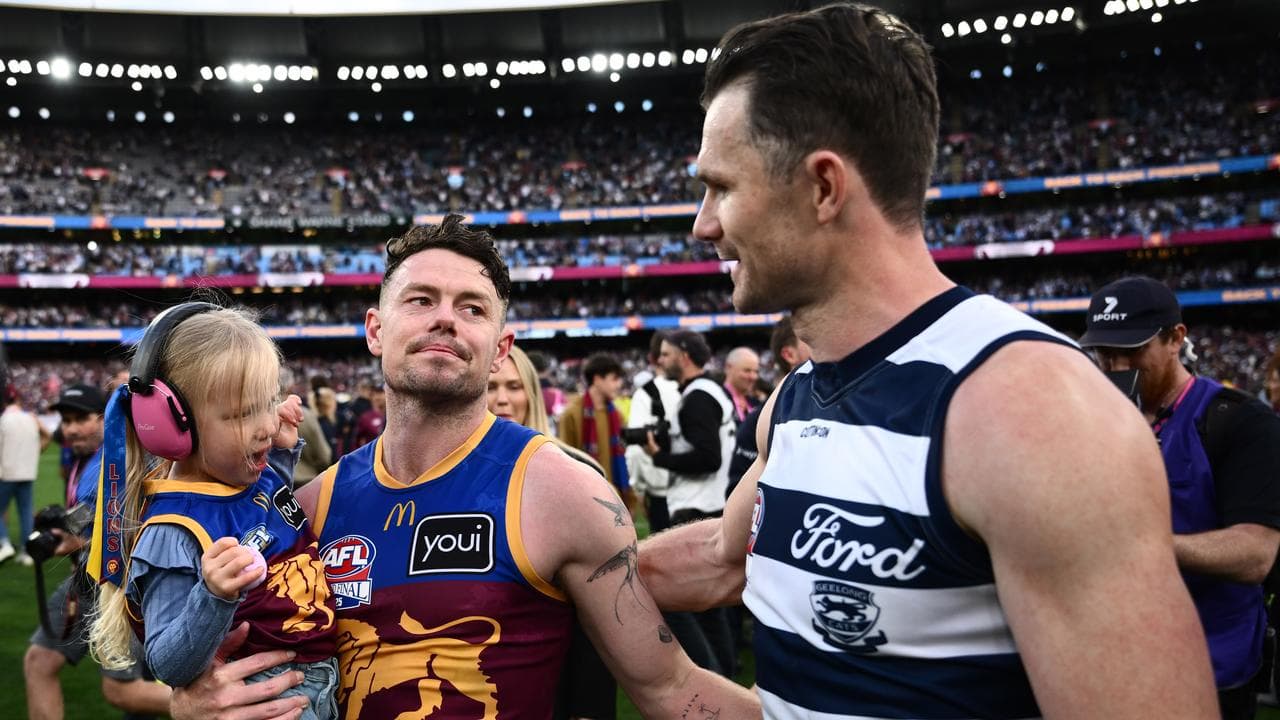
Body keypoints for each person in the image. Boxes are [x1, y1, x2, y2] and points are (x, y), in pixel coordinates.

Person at [636, 4, 1216, 719]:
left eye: (720, 186)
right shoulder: (795, 401)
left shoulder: (1031, 414)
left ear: (823, 187)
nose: (703, 223)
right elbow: (725, 557)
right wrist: (546, 564)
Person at [169, 214, 759, 720]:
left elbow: (669, 687)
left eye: (472, 308)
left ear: (501, 348)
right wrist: (187, 702)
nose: (445, 319)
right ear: (376, 330)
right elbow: (221, 660)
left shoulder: (561, 492)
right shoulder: (311, 507)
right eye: (421, 300)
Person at [87, 303, 339, 720]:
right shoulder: (174, 532)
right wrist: (214, 594)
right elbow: (168, 664)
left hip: (321, 681)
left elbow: (265, 511)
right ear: (173, 427)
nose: (265, 424)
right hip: (267, 699)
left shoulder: (245, 475)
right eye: (243, 413)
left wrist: (283, 452)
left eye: (267, 403)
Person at [1080, 276, 1280, 720]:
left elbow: (1255, 554)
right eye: (1103, 352)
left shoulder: (1241, 422)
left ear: (1176, 339)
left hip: (1210, 667)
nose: (1114, 365)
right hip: (1114, 659)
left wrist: (1141, 545)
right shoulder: (1092, 420)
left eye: (1131, 350)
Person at [24, 383, 172, 720]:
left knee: (123, 691)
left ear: (103, 419)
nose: (71, 428)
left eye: (81, 419)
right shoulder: (87, 459)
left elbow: (112, 519)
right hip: (89, 578)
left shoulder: (118, 457)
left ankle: (223, 705)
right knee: (40, 659)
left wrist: (71, 533)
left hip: (118, 582)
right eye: (66, 420)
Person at [488, 344, 618, 720]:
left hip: (557, 675)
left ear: (532, 394)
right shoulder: (446, 478)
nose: (502, 399)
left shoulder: (577, 472)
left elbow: (599, 613)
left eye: (514, 387)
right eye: (491, 386)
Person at [642, 329, 736, 678]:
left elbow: (707, 458)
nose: (660, 361)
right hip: (711, 502)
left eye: (665, 354)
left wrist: (660, 456)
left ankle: (716, 679)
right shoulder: (707, 392)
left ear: (683, 355)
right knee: (711, 610)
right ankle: (723, 677)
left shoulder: (698, 396)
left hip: (700, 506)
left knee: (699, 608)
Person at [725, 318, 811, 497]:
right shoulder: (761, 420)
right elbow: (737, 497)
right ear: (789, 355)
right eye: (809, 339)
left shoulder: (840, 411)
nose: (753, 377)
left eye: (755, 371)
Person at [626, 332, 681, 535]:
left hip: (661, 491)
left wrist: (638, 487)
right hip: (698, 489)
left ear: (652, 358)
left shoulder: (645, 394)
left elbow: (637, 447)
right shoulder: (697, 389)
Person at [558, 353, 633, 504]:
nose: (619, 385)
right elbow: (565, 464)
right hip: (584, 498)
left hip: (615, 497)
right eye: (614, 379)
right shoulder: (572, 414)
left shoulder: (616, 415)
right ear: (598, 379)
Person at [0, 383, 49, 565]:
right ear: (18, 399)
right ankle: (27, 552)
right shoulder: (31, 418)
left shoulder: (4, 419)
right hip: (27, 472)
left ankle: (5, 543)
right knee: (26, 512)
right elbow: (47, 434)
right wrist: (35, 452)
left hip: (7, 473)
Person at [721, 347, 761, 424]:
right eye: (747, 371)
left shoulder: (756, 403)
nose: (753, 377)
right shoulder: (717, 400)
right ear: (728, 368)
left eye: (756, 372)